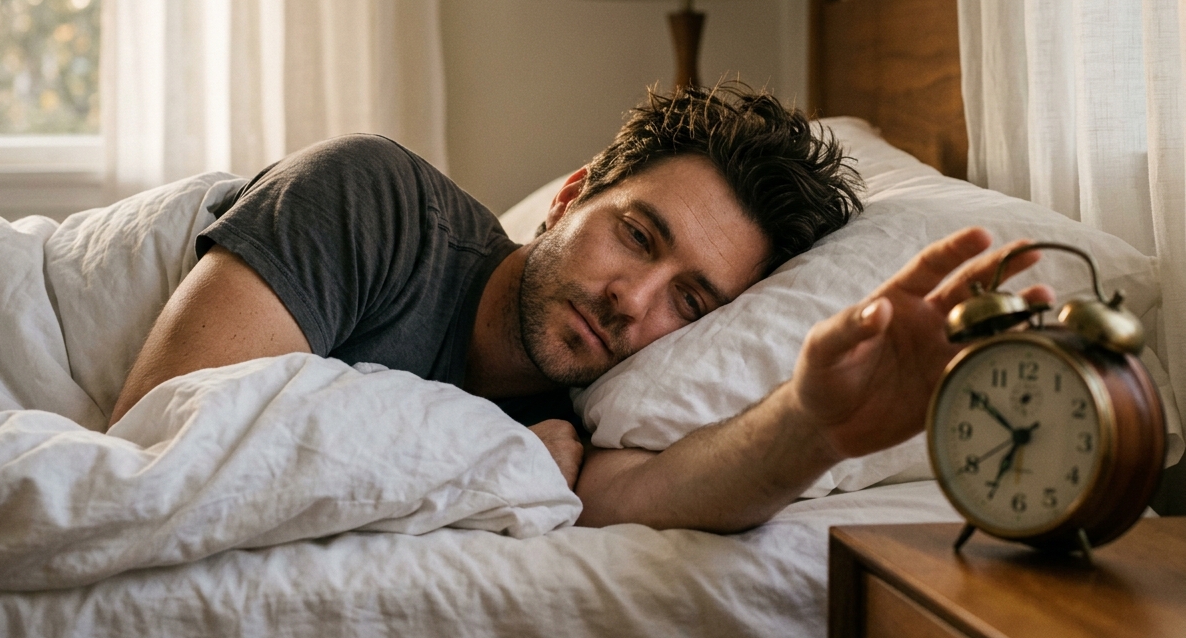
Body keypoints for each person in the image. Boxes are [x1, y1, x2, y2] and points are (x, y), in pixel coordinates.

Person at [107, 82, 1050, 534]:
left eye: (691, 299)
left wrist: (814, 421)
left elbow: (656, 494)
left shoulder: (590, 417)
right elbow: (164, 427)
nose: (631, 302)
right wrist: (491, 452)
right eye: (637, 235)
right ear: (569, 197)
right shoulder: (377, 199)